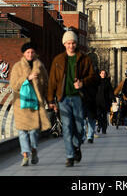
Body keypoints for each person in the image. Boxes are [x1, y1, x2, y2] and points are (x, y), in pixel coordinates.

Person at [47, 30, 98, 167]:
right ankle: (69, 156)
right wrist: (51, 100)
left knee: (79, 127)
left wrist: (82, 82)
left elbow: (93, 76)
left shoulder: (84, 59)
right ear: (64, 44)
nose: (71, 46)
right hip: (63, 98)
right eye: (69, 43)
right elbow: (52, 80)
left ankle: (76, 146)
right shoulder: (57, 60)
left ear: (76, 44)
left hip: (78, 98)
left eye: (73, 43)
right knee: (67, 128)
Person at [10, 41, 50, 166]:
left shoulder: (40, 66)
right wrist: (27, 78)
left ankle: (33, 149)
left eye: (32, 52)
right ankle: (25, 155)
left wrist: (49, 100)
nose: (30, 54)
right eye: (28, 52)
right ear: (24, 53)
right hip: (21, 104)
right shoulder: (17, 67)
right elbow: (14, 85)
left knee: (33, 131)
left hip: (35, 104)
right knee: (22, 131)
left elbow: (46, 84)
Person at [96, 70, 114, 134]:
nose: (103, 74)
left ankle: (104, 129)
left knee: (104, 116)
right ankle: (99, 125)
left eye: (104, 73)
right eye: (102, 73)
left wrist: (113, 99)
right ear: (100, 74)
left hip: (105, 102)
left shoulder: (107, 82)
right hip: (97, 102)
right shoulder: (97, 82)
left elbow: (111, 91)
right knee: (98, 115)